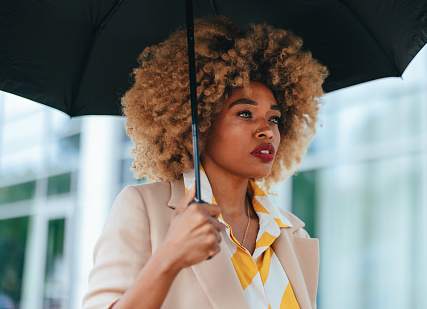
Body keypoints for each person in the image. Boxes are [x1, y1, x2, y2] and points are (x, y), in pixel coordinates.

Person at [83, 16, 327, 309]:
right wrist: (169, 256)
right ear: (200, 122)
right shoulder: (144, 209)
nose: (267, 130)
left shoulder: (291, 232)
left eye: (274, 118)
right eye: (245, 114)